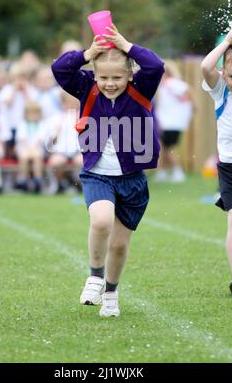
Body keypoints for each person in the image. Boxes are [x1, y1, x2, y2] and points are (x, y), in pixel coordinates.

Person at [52, 25, 164, 317]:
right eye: (103, 77)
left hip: (132, 180)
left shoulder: (141, 88)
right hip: (98, 174)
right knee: (101, 222)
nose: (110, 83)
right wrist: (88, 54)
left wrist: (126, 45)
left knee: (118, 245)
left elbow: (156, 64)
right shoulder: (87, 86)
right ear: (94, 75)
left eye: (117, 77)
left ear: (129, 75)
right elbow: (60, 69)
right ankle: (94, 276)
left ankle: (111, 294)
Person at [201, 23, 232, 296]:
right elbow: (205, 67)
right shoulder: (221, 91)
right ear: (224, 74)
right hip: (231, 167)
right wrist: (228, 40)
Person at [155, 59, 194, 183]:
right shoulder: (166, 85)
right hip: (170, 122)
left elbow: (187, 93)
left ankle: (178, 172)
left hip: (171, 122)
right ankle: (163, 172)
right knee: (166, 147)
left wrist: (185, 103)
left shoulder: (171, 83)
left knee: (170, 147)